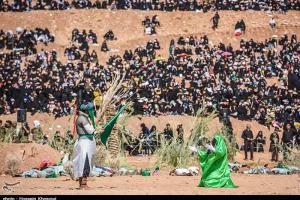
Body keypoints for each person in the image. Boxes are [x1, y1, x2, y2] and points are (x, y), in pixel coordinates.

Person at [72, 102, 97, 189]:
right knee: (84, 163)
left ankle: (82, 184)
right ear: (87, 110)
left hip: (85, 143)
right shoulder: (82, 118)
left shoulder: (83, 117)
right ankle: (83, 184)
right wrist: (98, 130)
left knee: (83, 162)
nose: (92, 111)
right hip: (84, 144)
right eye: (91, 110)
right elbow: (90, 131)